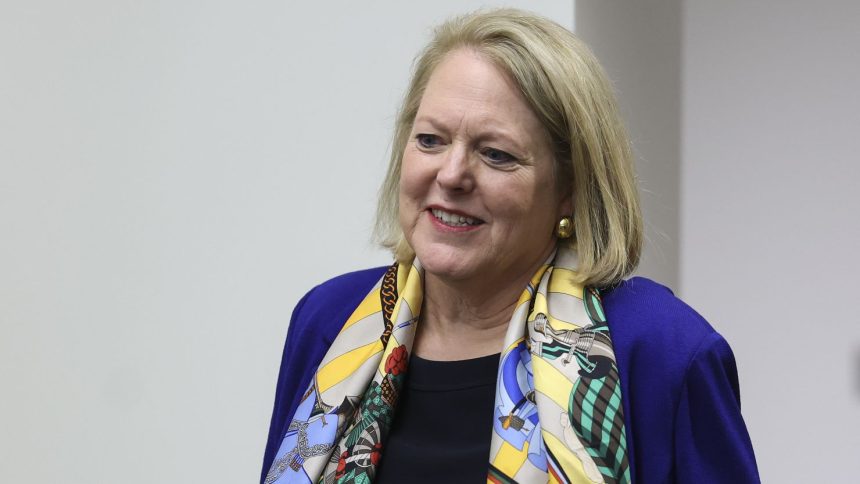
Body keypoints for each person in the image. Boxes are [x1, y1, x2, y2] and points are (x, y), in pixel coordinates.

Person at [261, 8, 759, 484]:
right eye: (431, 140)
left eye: (496, 154)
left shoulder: (662, 350)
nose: (451, 175)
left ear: (570, 187)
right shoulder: (328, 321)